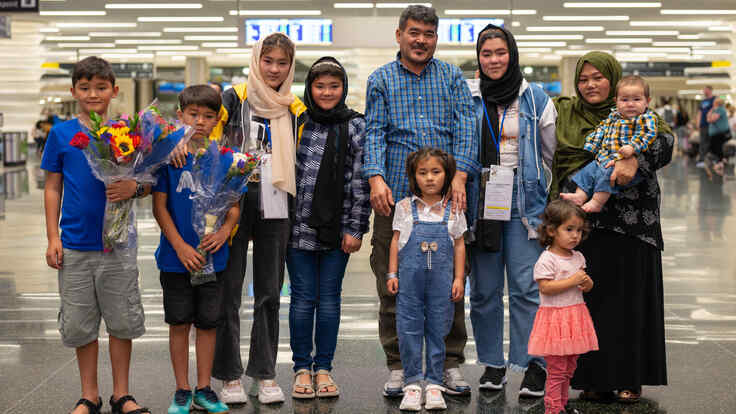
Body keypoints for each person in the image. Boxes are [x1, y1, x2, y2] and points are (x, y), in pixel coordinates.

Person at [363, 5, 478, 397]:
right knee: (392, 284)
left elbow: (466, 125)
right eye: (414, 32)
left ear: (435, 38)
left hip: (446, 203)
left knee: (449, 285)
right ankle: (399, 365)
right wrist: (375, 177)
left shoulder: (451, 77)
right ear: (399, 35)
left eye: (428, 34)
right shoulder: (380, 79)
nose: (421, 40)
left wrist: (460, 174)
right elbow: (375, 132)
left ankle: (448, 363)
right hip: (394, 202)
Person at [552, 51, 672, 403]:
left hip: (634, 223)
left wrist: (634, 156)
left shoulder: (640, 115)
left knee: (630, 302)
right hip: (585, 226)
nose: (590, 85)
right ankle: (594, 377)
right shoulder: (566, 114)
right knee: (591, 302)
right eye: (583, 79)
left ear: (613, 79)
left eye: (598, 77)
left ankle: (629, 379)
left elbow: (665, 145)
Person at [41, 56, 150, 414]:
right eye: (85, 88)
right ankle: (89, 394)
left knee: (121, 321)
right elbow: (52, 187)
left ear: (114, 91)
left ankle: (122, 394)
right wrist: (52, 237)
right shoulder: (60, 135)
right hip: (74, 244)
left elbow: (150, 182)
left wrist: (134, 186)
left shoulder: (128, 133)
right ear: (74, 91)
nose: (93, 94)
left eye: (101, 87)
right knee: (80, 324)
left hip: (117, 246)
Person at [213, 32, 307, 405]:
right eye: (267, 61)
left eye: (282, 63)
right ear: (256, 60)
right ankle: (229, 374)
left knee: (270, 291)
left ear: (290, 66)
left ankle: (265, 372)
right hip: (233, 202)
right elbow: (213, 148)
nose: (273, 69)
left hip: (277, 199)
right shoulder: (233, 98)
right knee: (228, 291)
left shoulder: (295, 108)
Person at [464, 24, 557, 397]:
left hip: (524, 201)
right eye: (486, 54)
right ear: (479, 58)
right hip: (480, 198)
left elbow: (550, 153)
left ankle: (533, 364)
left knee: (526, 287)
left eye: (500, 52)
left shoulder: (535, 98)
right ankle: (492, 364)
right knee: (484, 289)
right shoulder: (468, 97)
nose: (494, 60)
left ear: (512, 54)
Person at [287, 57, 370, 399]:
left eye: (333, 86)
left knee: (330, 299)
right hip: (297, 228)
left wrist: (356, 227)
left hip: (337, 229)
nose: (326, 92)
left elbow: (359, 183)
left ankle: (324, 368)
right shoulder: (296, 121)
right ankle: (301, 369)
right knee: (303, 299)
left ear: (343, 88)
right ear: (309, 87)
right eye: (319, 86)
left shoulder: (355, 126)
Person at [152, 85, 235, 414]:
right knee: (179, 322)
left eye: (207, 116)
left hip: (213, 259)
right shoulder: (169, 157)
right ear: (180, 116)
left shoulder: (226, 159)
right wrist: (180, 246)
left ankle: (204, 387)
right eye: (193, 114)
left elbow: (234, 207)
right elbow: (160, 208)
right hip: (176, 259)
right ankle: (182, 389)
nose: (199, 121)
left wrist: (227, 231)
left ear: (217, 120)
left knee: (208, 323)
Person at [386, 148, 466, 411]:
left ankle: (433, 383)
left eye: (436, 172)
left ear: (447, 175)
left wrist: (458, 278)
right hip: (409, 282)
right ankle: (411, 383)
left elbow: (459, 245)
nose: (430, 178)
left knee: (438, 327)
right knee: (408, 328)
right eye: (423, 172)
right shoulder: (405, 207)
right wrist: (392, 273)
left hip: (441, 282)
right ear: (413, 176)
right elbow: (396, 242)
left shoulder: (454, 210)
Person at [528, 200, 598, 414]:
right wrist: (572, 280)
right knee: (557, 369)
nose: (575, 235)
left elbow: (586, 285)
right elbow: (546, 288)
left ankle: (563, 403)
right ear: (551, 230)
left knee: (570, 366)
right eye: (569, 229)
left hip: (575, 317)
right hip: (555, 321)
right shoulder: (547, 259)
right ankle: (553, 407)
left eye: (578, 230)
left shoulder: (578, 256)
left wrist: (586, 283)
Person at [560, 75, 657, 213]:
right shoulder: (613, 116)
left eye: (636, 99)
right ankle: (580, 196)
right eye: (624, 100)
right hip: (604, 157)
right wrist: (592, 143)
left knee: (606, 174)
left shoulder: (646, 118)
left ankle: (596, 201)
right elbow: (602, 129)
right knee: (588, 171)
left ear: (647, 101)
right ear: (616, 101)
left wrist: (633, 148)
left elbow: (648, 134)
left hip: (620, 162)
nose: (630, 104)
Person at [697, 86, 716, 167]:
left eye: (705, 90)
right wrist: (698, 123)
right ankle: (701, 160)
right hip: (703, 124)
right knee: (702, 142)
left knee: (712, 142)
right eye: (703, 90)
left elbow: (716, 109)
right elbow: (700, 112)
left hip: (712, 124)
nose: (704, 91)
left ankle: (714, 159)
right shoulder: (703, 101)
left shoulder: (714, 99)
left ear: (710, 90)